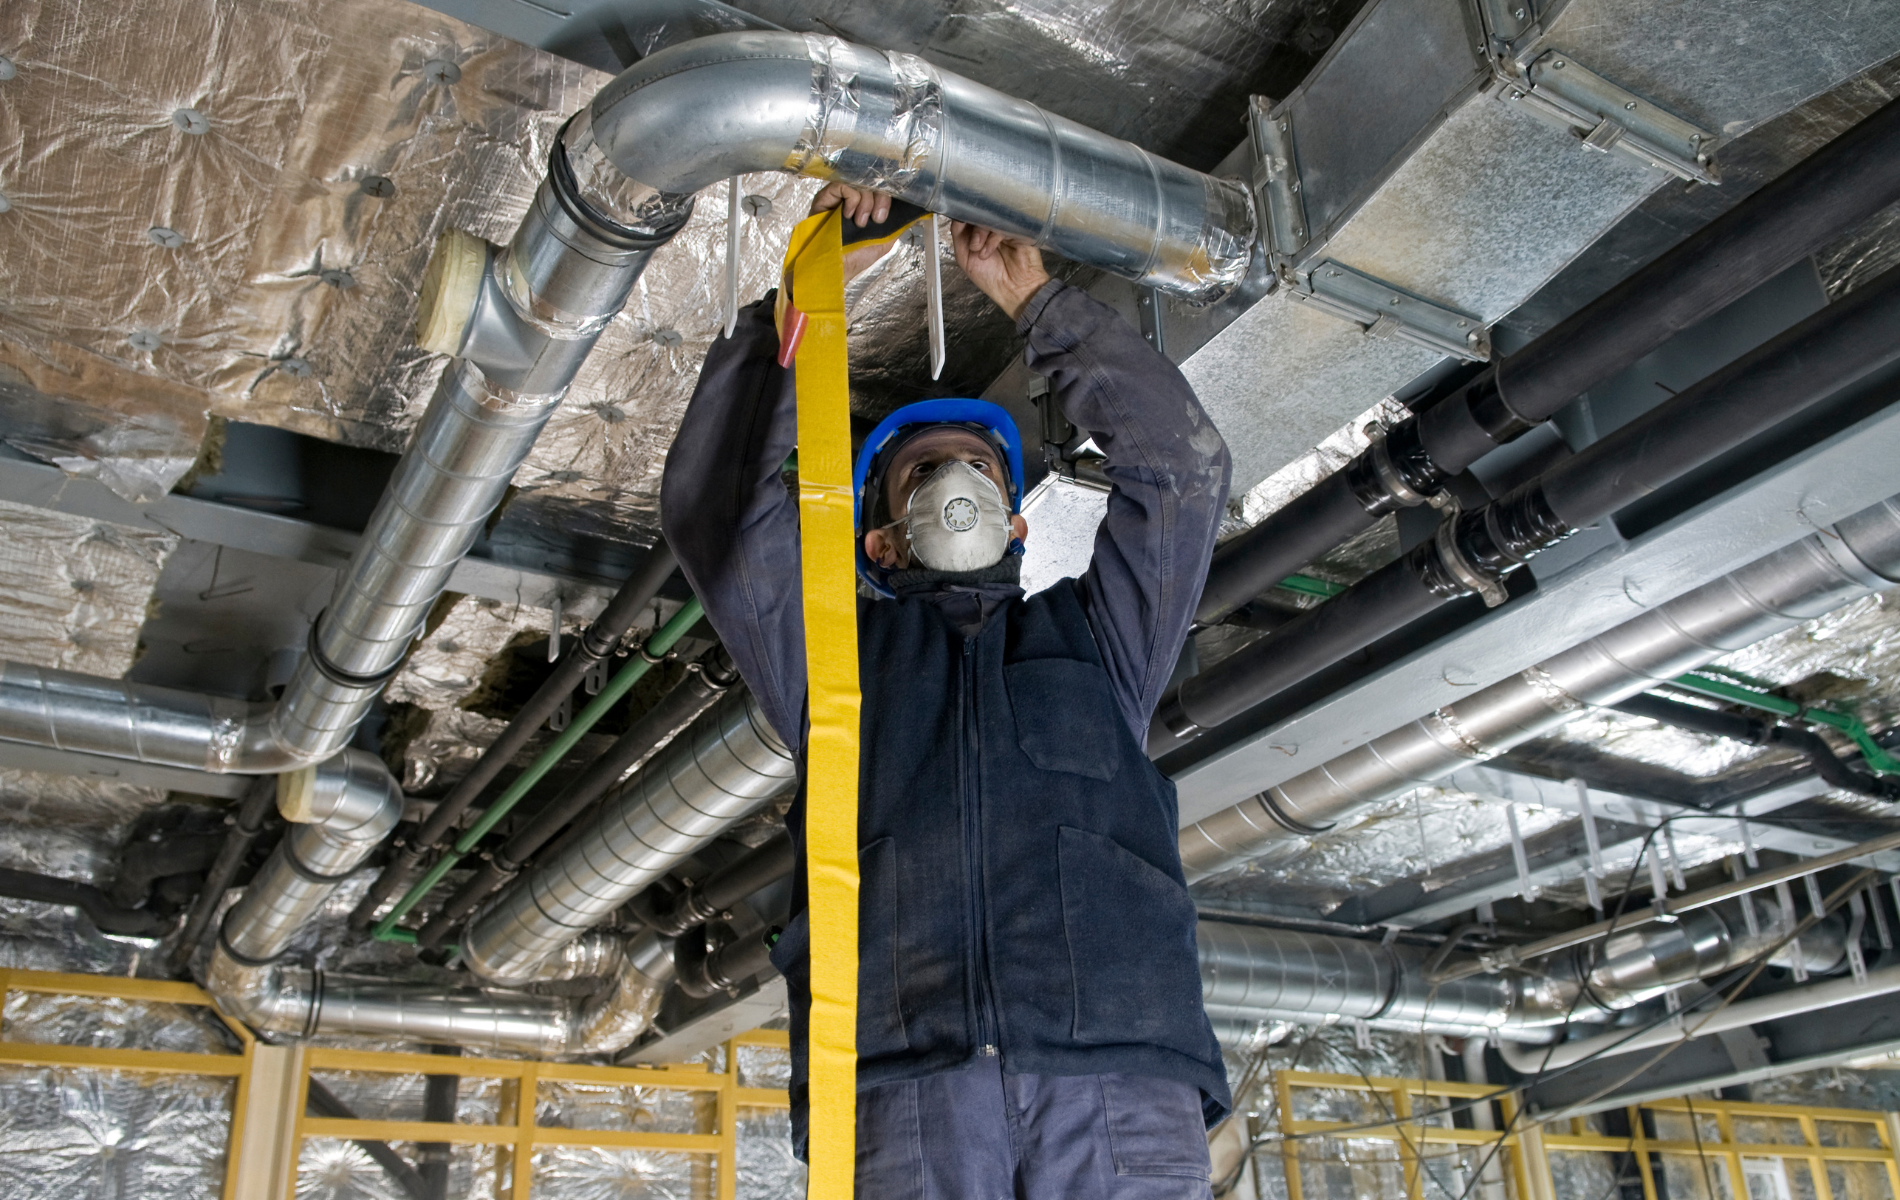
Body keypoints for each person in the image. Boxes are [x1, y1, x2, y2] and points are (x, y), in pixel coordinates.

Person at [661, 181, 1233, 1199]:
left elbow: (1178, 474)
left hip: (1116, 1073)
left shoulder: (1100, 642)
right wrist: (817, 289)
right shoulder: (837, 665)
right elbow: (718, 507)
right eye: (921, 475)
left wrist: (1037, 304)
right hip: (901, 1088)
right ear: (879, 541)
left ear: (1017, 524)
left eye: (977, 468)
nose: (956, 484)